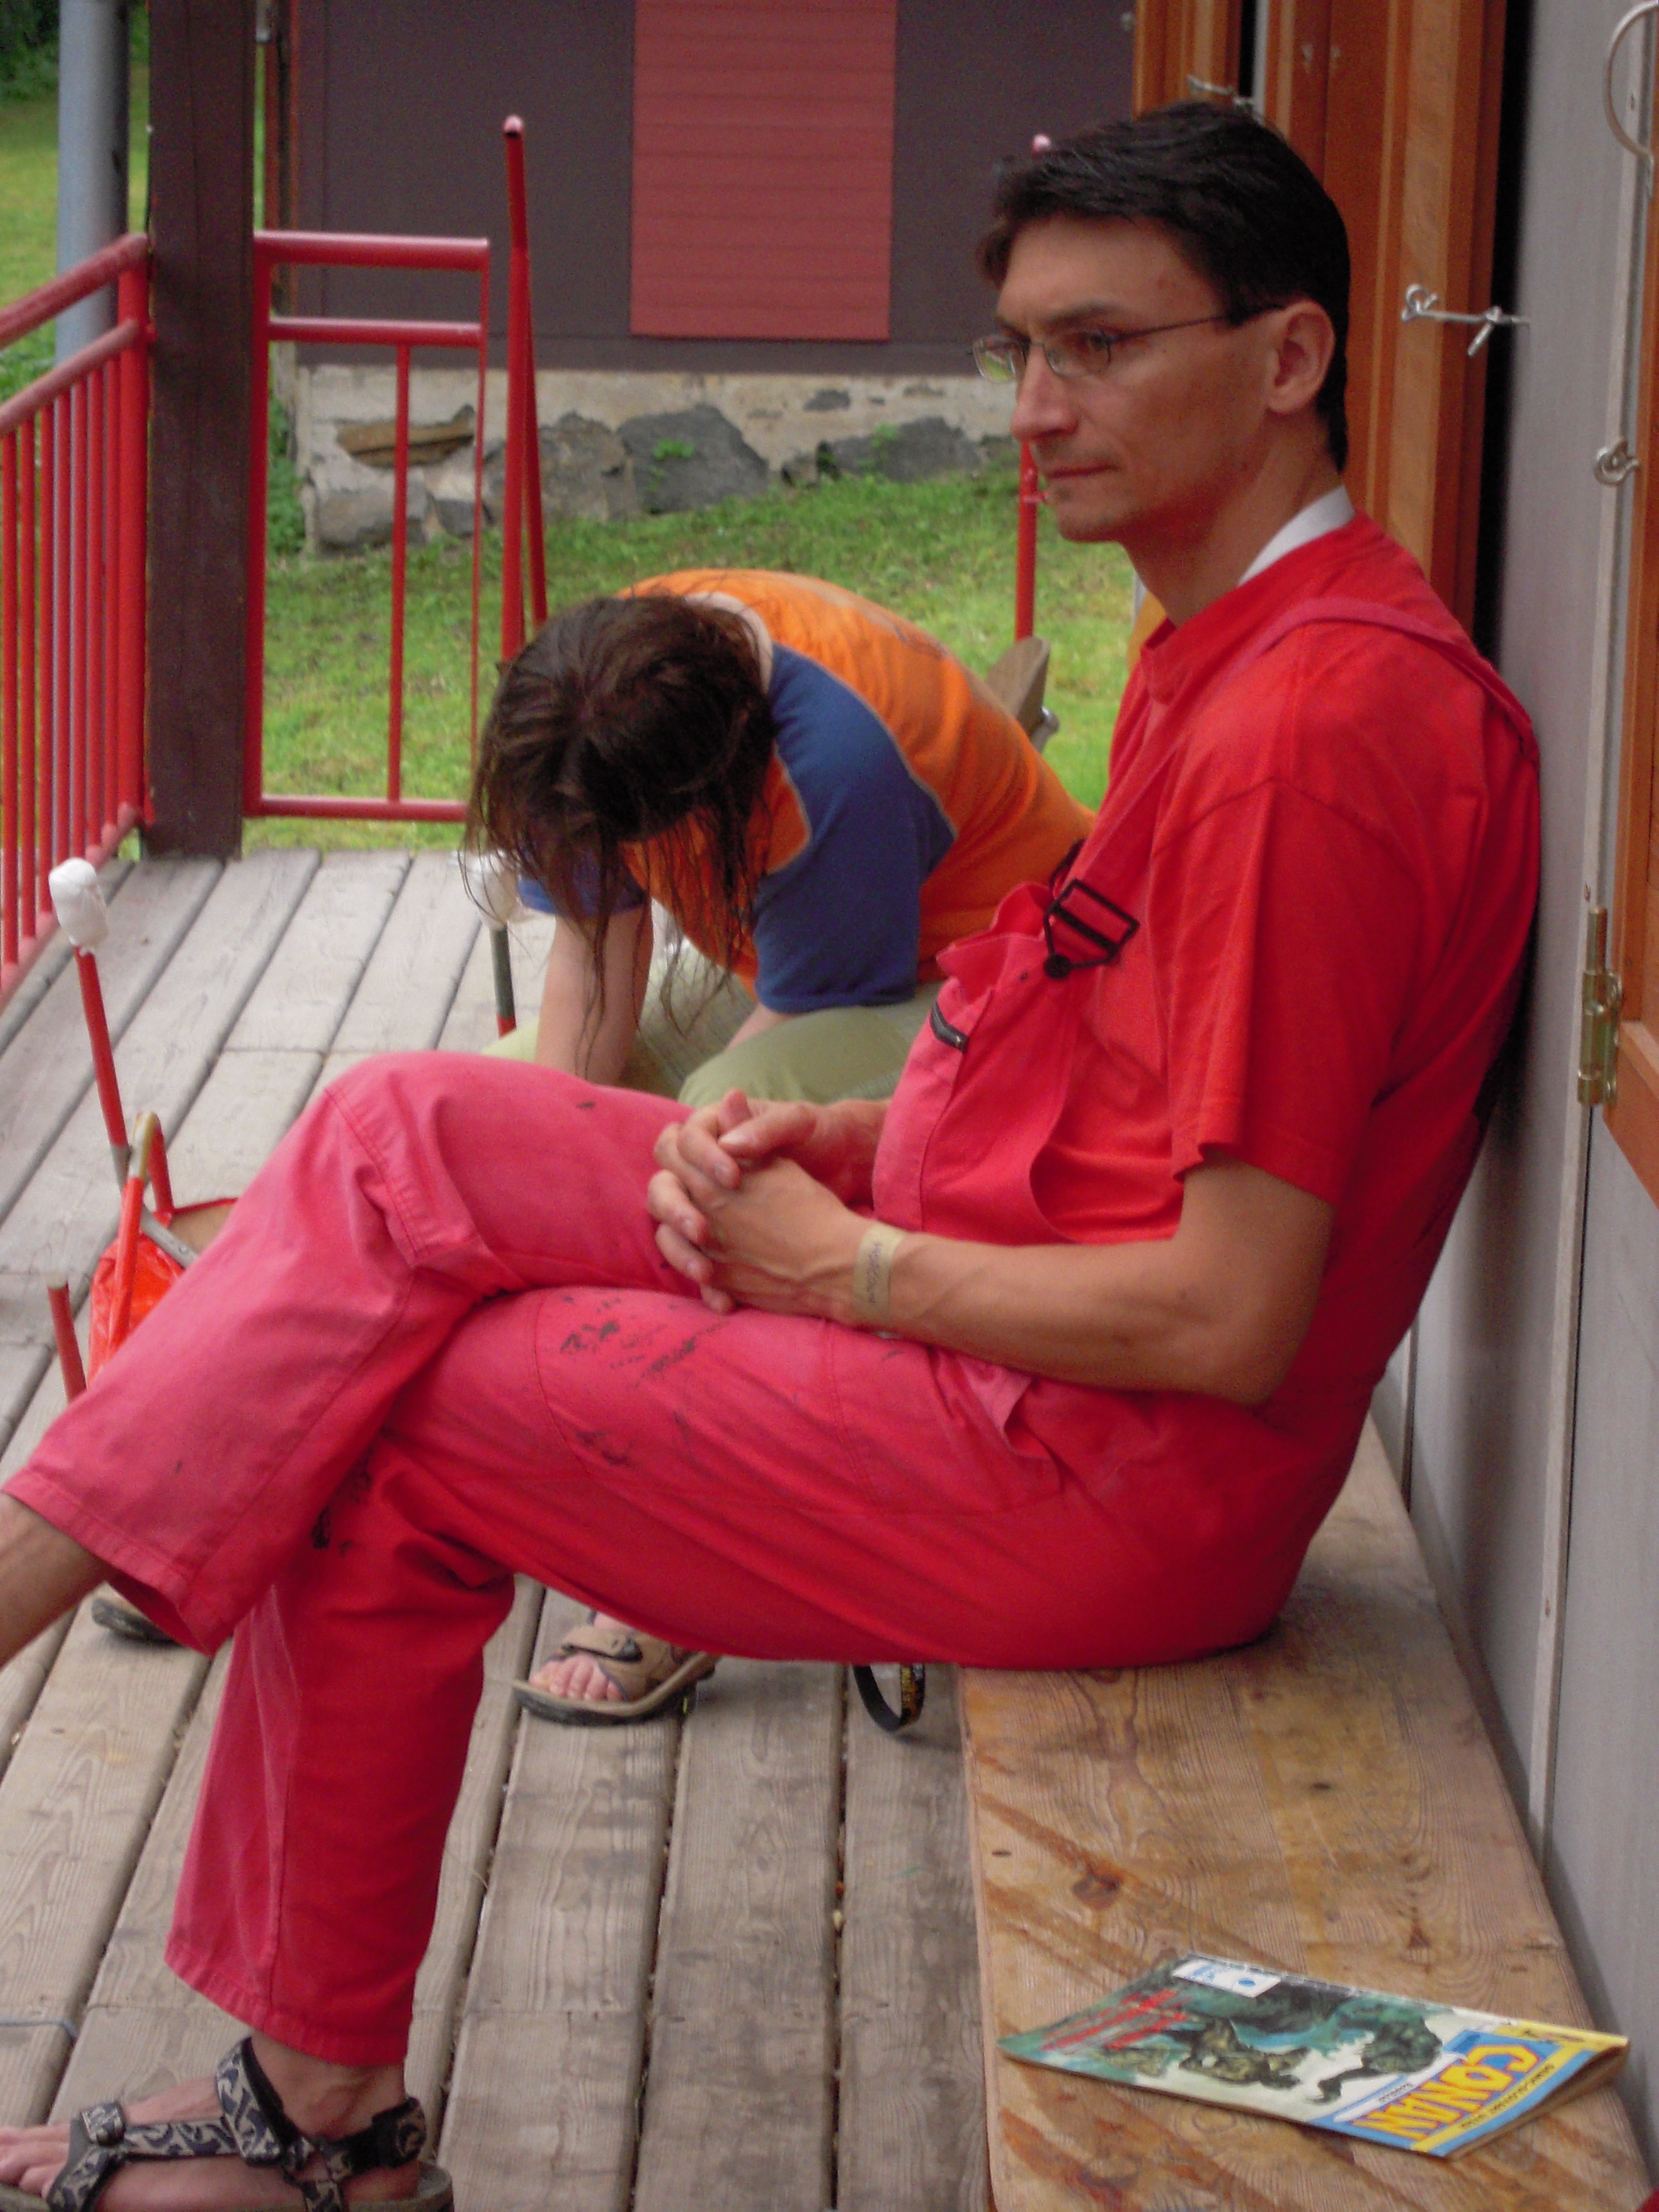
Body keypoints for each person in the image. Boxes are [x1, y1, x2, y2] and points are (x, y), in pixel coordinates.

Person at [0, 102, 1537, 2212]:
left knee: (392, 1408)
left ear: (1288, 357)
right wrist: (858, 1134)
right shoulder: (1240, 651)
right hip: (1003, 1325)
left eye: (1099, 346)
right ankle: (120, 1699)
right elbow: (1117, 1101)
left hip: (1096, 1466)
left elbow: (1227, 1309)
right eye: (1020, 349)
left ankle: (304, 2110)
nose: (1035, 407)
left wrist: (849, 1264)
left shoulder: (1313, 741)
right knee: (395, 1126)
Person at [480, 571, 1091, 1109]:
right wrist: (557, 1128)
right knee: (506, 1092)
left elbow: (795, 1027)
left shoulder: (834, 771)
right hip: (805, 955)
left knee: (722, 1115)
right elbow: (591, 958)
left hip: (1011, 970)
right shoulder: (583, 702)